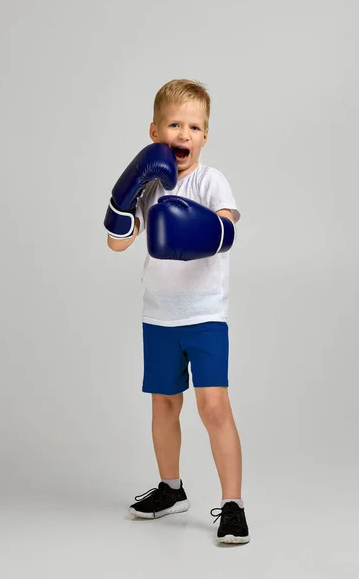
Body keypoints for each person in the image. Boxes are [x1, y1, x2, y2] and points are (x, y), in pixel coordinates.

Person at [104, 79, 250, 545]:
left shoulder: (210, 180)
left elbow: (227, 227)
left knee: (213, 407)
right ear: (155, 133)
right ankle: (171, 489)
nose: (183, 133)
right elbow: (116, 242)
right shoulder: (152, 186)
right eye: (174, 124)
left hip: (205, 315)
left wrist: (191, 226)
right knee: (164, 406)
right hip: (159, 316)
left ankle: (233, 506)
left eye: (194, 126)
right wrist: (124, 198)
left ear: (205, 135)